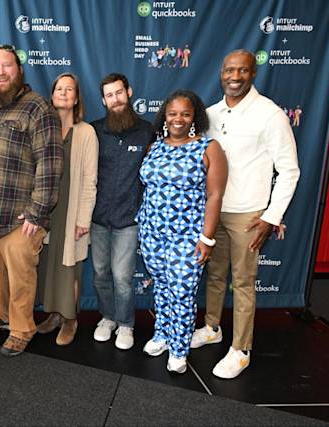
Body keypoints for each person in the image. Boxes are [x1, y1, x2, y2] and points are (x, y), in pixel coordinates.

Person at [190, 49, 300, 379]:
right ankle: (212, 328)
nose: (234, 77)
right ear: (221, 73)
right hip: (213, 211)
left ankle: (241, 349)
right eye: (229, 70)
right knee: (214, 276)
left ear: (253, 74)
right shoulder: (210, 114)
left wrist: (270, 216)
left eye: (242, 70)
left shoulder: (270, 115)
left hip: (249, 216)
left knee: (243, 282)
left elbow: (290, 170)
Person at [0, 44, 63, 356]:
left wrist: (37, 213)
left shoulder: (38, 108)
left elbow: (50, 164)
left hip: (21, 217)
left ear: (19, 70)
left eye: (7, 66)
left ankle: (22, 328)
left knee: (21, 277)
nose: (0, 72)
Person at [138, 90, 227, 374]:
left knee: (182, 292)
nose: (178, 119)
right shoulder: (155, 147)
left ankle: (179, 348)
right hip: (152, 232)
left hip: (187, 236)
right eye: (173, 113)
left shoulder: (208, 148)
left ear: (195, 117)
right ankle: (163, 334)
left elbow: (214, 196)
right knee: (163, 287)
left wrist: (207, 238)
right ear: (165, 116)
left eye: (185, 114)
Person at [90, 73, 155, 350]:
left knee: (123, 277)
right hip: (98, 219)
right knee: (101, 274)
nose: (115, 99)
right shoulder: (94, 131)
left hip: (128, 220)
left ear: (128, 92)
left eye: (119, 93)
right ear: (103, 100)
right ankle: (108, 318)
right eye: (109, 95)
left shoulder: (147, 131)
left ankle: (126, 324)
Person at [35, 73, 98, 346]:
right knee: (48, 268)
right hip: (47, 213)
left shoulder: (86, 133)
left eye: (69, 89)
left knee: (70, 270)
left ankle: (70, 321)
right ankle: (54, 315)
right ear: (52, 95)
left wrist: (83, 218)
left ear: (76, 98)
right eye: (59, 88)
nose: (63, 92)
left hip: (72, 213)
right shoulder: (43, 129)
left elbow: (90, 180)